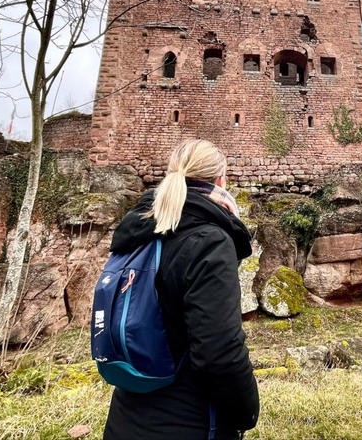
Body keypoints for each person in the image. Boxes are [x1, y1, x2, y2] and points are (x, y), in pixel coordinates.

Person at [103, 139, 259, 440]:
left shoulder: (138, 229)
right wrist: (247, 413)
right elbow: (220, 352)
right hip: (190, 420)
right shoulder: (209, 240)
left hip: (126, 413)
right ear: (220, 180)